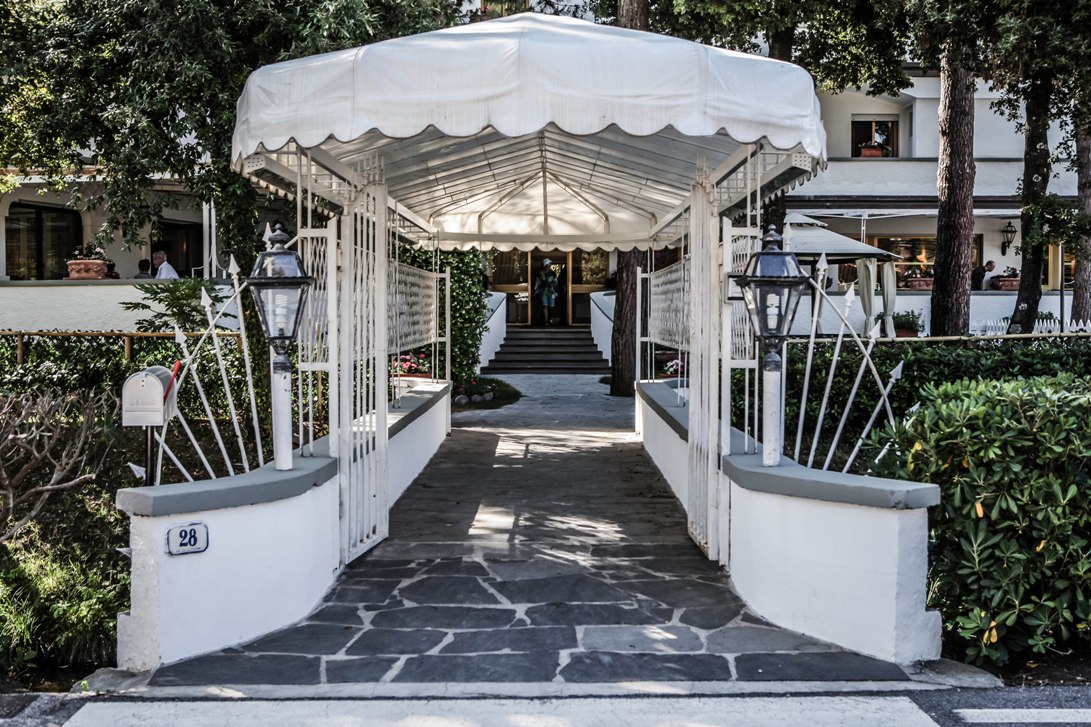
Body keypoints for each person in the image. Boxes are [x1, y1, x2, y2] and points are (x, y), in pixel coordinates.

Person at [533, 258, 560, 326]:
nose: (548, 266)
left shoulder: (553, 273)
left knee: (551, 307)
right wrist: (535, 290)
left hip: (551, 291)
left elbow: (556, 282)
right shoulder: (540, 273)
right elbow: (537, 283)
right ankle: (546, 321)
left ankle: (550, 319)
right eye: (547, 265)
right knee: (545, 306)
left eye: (549, 265)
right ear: (544, 265)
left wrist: (554, 286)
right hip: (543, 291)